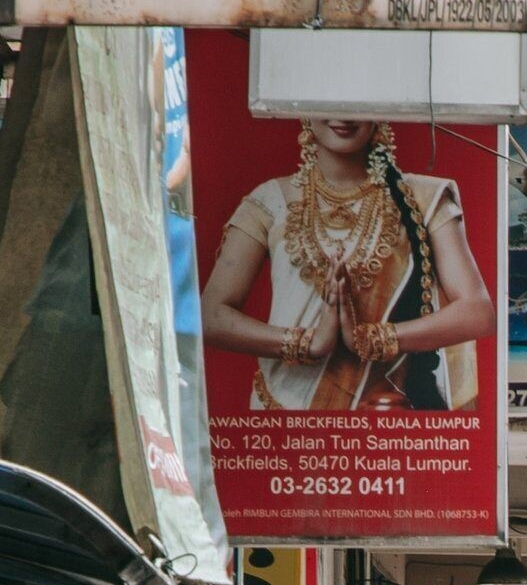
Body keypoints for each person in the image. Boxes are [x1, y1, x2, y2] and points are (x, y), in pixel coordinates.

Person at [202, 118, 496, 414]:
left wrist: (370, 339)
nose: (342, 116)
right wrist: (307, 344)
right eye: (326, 102)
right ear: (304, 111)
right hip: (282, 422)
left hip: (384, 418)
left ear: (378, 112)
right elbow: (210, 315)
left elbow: (477, 312)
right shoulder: (269, 200)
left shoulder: (423, 198)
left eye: (354, 102)